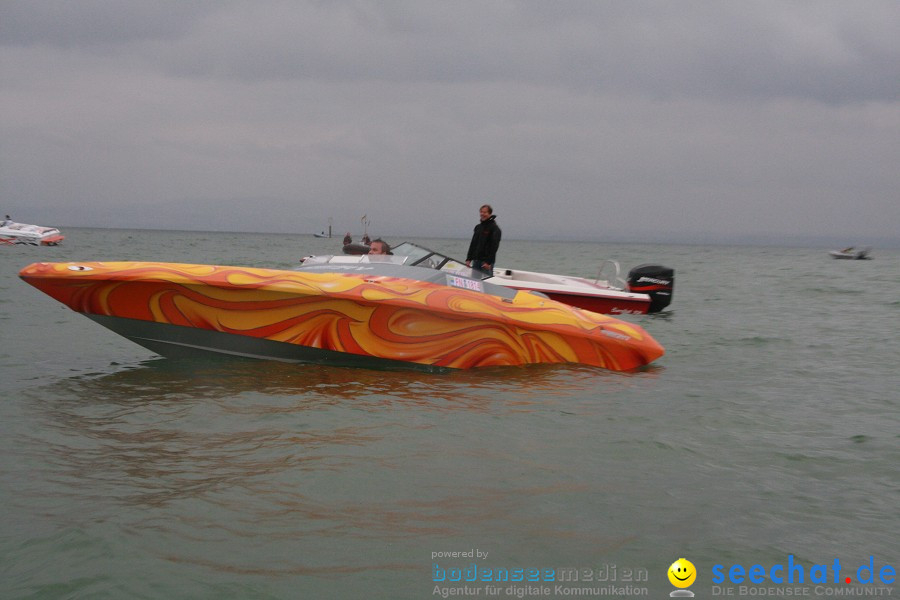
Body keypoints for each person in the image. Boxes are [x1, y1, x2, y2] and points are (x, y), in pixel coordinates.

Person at [465, 204, 501, 276]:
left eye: (485, 212)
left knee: (487, 283)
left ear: (490, 213)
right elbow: (473, 244)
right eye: (481, 212)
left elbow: (494, 247)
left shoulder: (494, 228)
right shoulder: (478, 227)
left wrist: (488, 262)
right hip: (476, 260)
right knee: (475, 284)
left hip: (486, 263)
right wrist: (468, 259)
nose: (482, 214)